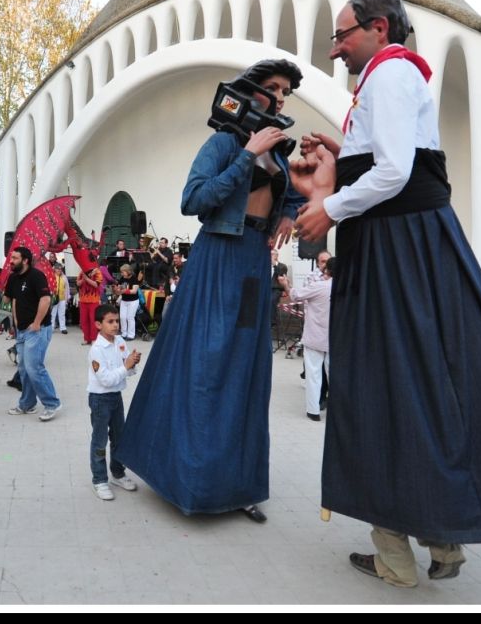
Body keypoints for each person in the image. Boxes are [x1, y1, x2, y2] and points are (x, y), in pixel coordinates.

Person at [293, 0, 481, 588]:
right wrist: (344, 155)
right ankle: (442, 537)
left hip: (393, 247)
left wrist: (330, 209)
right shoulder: (389, 77)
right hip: (406, 245)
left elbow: (396, 171)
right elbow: (400, 159)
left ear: (376, 28)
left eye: (342, 35)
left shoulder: (389, 73)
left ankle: (400, 554)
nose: (335, 46)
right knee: (422, 382)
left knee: (379, 386)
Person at [117, 58, 305, 521]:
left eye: (286, 92)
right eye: (274, 88)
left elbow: (294, 193)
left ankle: (239, 486)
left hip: (253, 266)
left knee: (246, 370)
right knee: (204, 365)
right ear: (251, 90)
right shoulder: (223, 141)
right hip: (217, 259)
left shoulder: (279, 150)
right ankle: (189, 478)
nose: (280, 97)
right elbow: (193, 200)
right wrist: (245, 155)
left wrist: (289, 213)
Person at [87, 305, 143, 501]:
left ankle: (118, 473)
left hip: (116, 397)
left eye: (117, 321)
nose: (115, 325)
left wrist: (132, 363)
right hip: (100, 399)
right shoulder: (96, 350)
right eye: (110, 321)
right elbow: (107, 380)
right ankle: (99, 480)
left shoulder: (119, 341)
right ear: (98, 325)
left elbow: (126, 370)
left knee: (119, 437)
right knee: (100, 441)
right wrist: (125, 366)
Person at [4, 246, 63, 422]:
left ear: (25, 260)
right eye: (11, 257)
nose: (11, 261)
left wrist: (36, 323)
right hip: (21, 330)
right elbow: (10, 300)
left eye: (14, 258)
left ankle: (52, 403)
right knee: (23, 368)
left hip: (37, 329)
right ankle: (27, 404)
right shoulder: (13, 277)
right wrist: (15, 324)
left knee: (34, 368)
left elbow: (46, 300)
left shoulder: (36, 276)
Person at [282, 256, 335, 421]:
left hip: (315, 337)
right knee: (335, 376)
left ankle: (313, 411)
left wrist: (286, 284)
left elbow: (296, 295)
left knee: (313, 375)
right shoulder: (347, 288)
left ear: (326, 270)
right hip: (336, 339)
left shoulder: (320, 286)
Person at [116, 264, 140, 341]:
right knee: (122, 317)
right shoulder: (122, 279)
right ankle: (124, 333)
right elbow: (119, 288)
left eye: (123, 272)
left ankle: (131, 335)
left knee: (130, 317)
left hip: (133, 301)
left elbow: (134, 291)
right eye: (121, 272)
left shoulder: (134, 279)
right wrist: (117, 290)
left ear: (128, 271)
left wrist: (124, 291)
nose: (122, 273)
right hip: (124, 300)